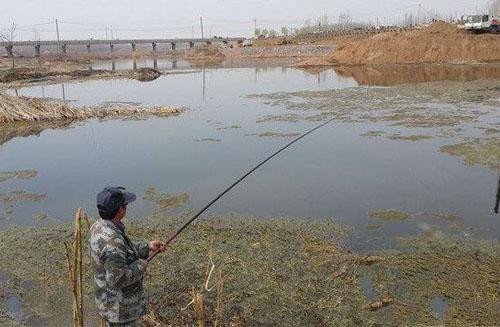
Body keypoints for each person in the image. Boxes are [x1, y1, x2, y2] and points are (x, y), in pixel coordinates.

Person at [89, 186, 166, 326]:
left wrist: (147, 247)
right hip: (120, 311)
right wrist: (140, 266)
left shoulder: (99, 226)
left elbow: (121, 253)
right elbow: (118, 279)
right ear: (120, 210)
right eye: (125, 205)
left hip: (108, 303)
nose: (126, 208)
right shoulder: (112, 241)